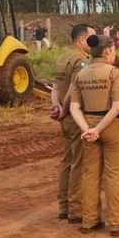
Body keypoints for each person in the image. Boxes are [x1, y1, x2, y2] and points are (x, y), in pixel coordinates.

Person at [69, 34, 119, 237]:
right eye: (114, 50)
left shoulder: (81, 74)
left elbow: (74, 107)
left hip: (88, 125)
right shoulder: (115, 73)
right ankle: (118, 222)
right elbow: (117, 107)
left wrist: (87, 130)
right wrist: (98, 130)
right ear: (107, 50)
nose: (115, 54)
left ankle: (89, 220)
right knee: (114, 175)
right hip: (110, 127)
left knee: (90, 174)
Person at [50, 23, 95, 223]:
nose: (94, 45)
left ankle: (64, 206)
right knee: (79, 162)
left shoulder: (62, 57)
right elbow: (71, 91)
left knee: (67, 160)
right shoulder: (80, 61)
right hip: (75, 117)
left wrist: (57, 108)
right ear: (82, 40)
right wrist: (66, 109)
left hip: (64, 118)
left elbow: (55, 87)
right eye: (91, 39)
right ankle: (75, 209)